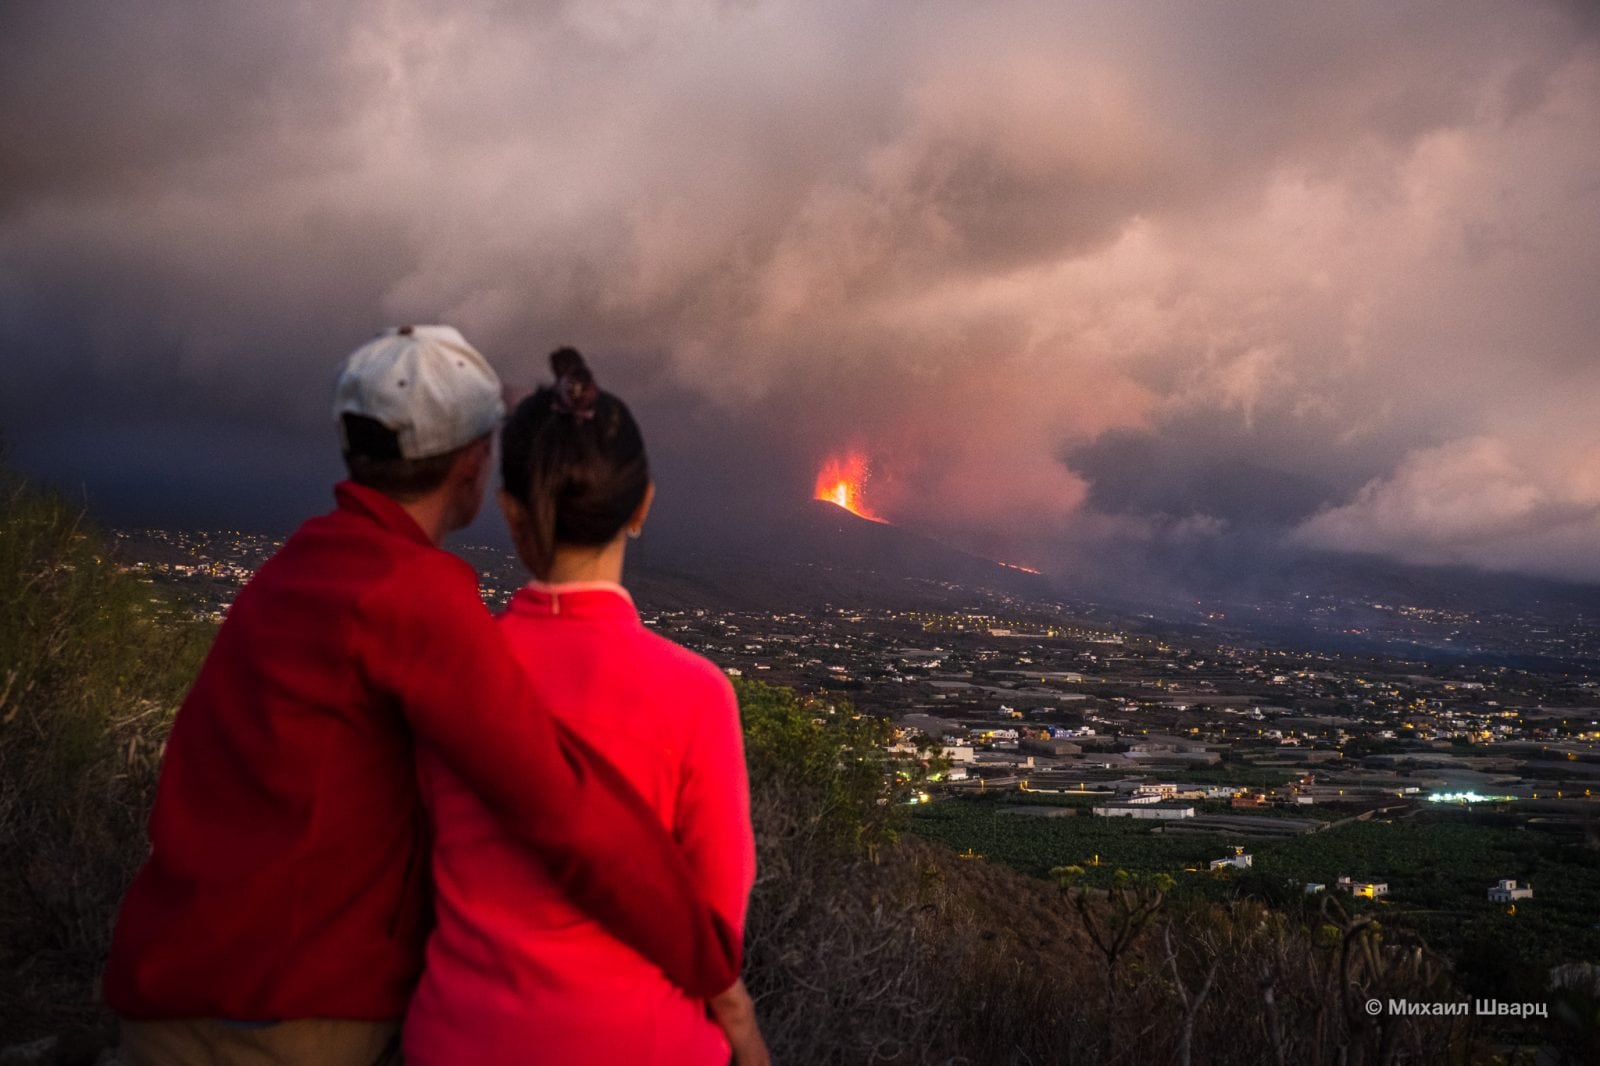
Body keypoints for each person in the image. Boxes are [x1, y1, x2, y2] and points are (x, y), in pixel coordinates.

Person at [105, 326, 740, 1065]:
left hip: (168, 981)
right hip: (281, 1009)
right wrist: (711, 968)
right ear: (474, 465)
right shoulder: (409, 594)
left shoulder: (295, 567)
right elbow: (563, 809)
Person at [403, 347, 768, 1065]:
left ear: (512, 513)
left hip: (456, 1041)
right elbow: (714, 924)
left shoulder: (446, 670)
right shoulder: (696, 695)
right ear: (643, 506)